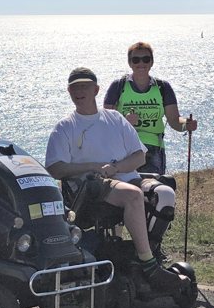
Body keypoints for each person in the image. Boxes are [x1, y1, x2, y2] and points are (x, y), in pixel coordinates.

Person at [45, 67, 187, 293]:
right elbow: (55, 167)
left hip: (125, 176)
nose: (80, 91)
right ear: (69, 91)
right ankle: (149, 267)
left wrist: (116, 168)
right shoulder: (65, 127)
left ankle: (145, 253)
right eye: (75, 87)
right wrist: (92, 167)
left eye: (85, 86)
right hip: (92, 186)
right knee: (133, 195)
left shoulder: (115, 119)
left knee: (165, 194)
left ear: (96, 90)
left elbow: (139, 156)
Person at [103, 41, 198, 175]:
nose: (141, 64)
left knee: (154, 191)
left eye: (146, 59)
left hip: (154, 149)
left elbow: (175, 121)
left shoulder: (163, 87)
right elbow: (106, 122)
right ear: (130, 63)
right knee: (127, 191)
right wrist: (124, 121)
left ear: (152, 62)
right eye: (136, 60)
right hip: (125, 148)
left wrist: (186, 124)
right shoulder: (118, 86)